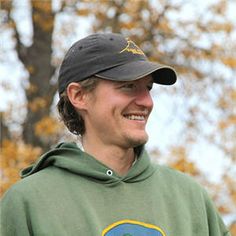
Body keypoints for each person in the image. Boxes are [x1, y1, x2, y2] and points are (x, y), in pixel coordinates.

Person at [0, 33, 230, 236]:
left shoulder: (190, 198)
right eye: (128, 86)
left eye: (148, 88)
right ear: (79, 96)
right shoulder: (29, 202)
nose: (146, 101)